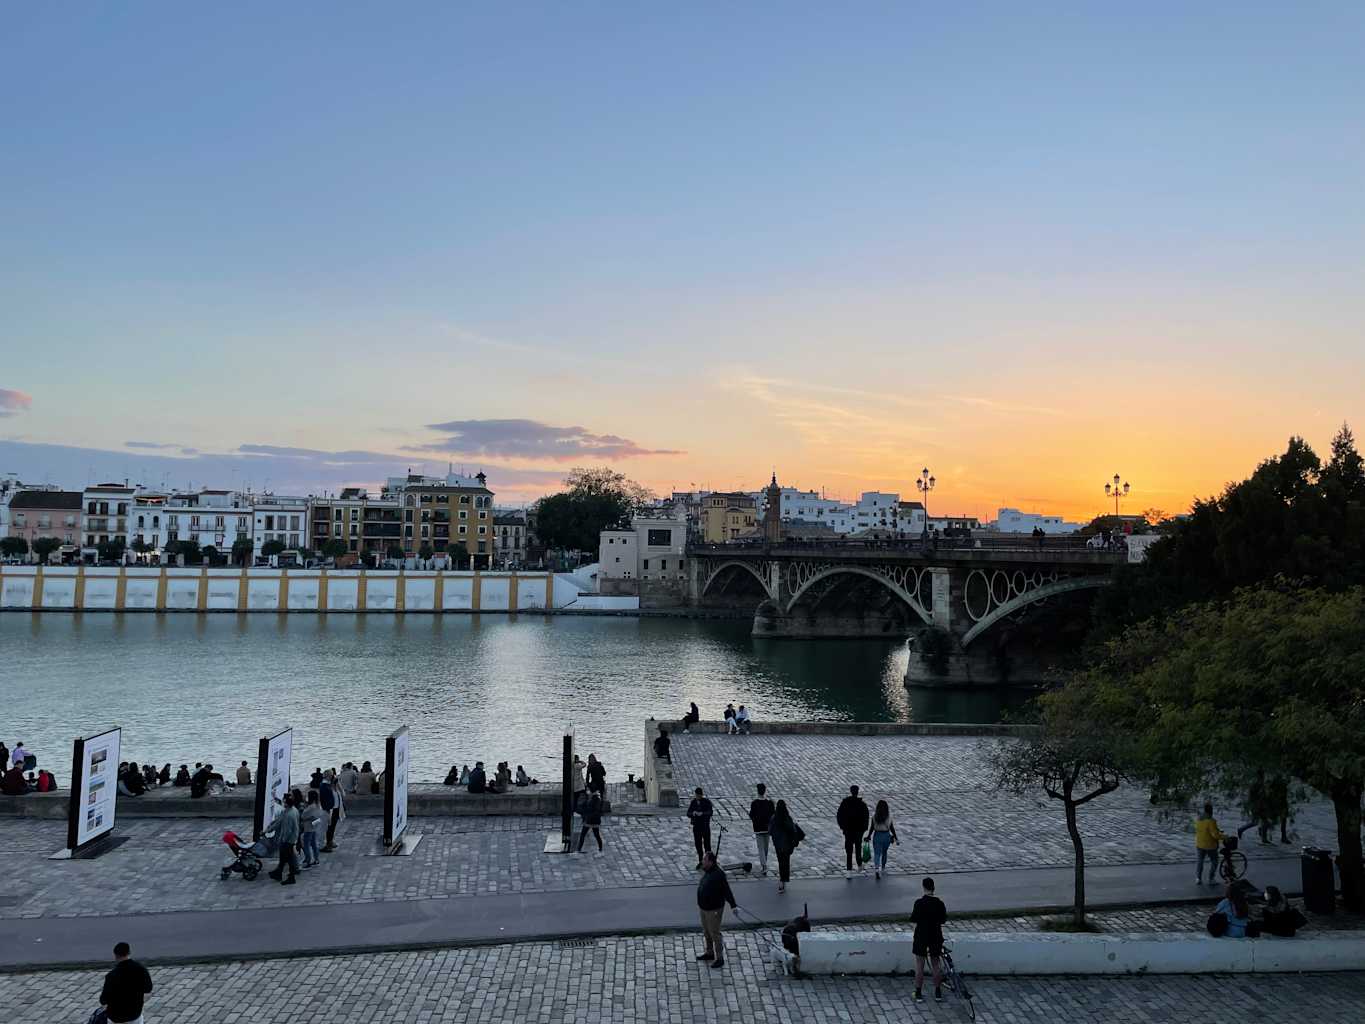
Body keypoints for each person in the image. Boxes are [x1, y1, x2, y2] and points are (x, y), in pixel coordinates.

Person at [695, 850, 738, 969]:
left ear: (711, 862)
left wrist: (733, 905)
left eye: (705, 860)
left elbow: (726, 890)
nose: (702, 861)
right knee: (707, 931)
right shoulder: (707, 871)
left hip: (713, 909)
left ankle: (719, 958)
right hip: (704, 908)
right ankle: (709, 952)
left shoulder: (718, 874)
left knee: (714, 933)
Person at [911, 877, 947, 1003]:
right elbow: (943, 920)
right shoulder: (939, 904)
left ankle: (918, 992)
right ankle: (938, 992)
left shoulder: (919, 903)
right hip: (936, 936)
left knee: (920, 965)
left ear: (923, 887)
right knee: (936, 964)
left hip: (921, 936)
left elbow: (913, 918)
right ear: (933, 888)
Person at [100, 941, 153, 1024]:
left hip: (115, 1017)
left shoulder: (111, 976)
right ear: (129, 952)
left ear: (116, 956)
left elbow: (103, 1000)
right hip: (134, 1015)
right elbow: (148, 990)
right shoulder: (141, 970)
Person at [768, 799, 805, 894]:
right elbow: (793, 830)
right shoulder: (787, 818)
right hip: (787, 844)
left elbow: (770, 831)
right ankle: (784, 879)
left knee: (781, 862)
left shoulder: (773, 818)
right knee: (786, 862)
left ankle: (781, 881)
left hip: (778, 844)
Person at [266, 793, 301, 885]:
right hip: (292, 839)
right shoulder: (293, 810)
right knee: (283, 858)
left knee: (288, 859)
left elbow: (287, 830)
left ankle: (291, 877)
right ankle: (278, 873)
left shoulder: (288, 815)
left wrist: (282, 840)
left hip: (287, 841)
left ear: (286, 803)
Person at [836, 785, 871, 875]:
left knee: (849, 850)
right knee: (858, 847)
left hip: (848, 830)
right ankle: (859, 865)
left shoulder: (845, 803)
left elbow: (839, 815)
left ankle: (849, 869)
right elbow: (866, 817)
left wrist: (842, 827)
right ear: (857, 792)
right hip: (858, 830)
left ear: (851, 791)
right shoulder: (862, 804)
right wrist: (864, 829)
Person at [1194, 802, 1226, 885]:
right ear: (1211, 810)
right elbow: (1214, 835)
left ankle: (1198, 878)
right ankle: (1211, 879)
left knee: (1200, 861)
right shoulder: (1211, 821)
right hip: (1210, 845)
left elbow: (1201, 830)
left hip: (1199, 844)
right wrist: (1224, 836)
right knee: (1214, 861)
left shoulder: (1198, 819)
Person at [867, 799, 898, 880]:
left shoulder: (874, 817)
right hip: (886, 836)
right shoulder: (889, 817)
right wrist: (896, 838)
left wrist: (869, 836)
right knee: (884, 852)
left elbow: (871, 828)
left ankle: (877, 869)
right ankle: (883, 868)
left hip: (877, 835)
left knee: (877, 854)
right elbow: (892, 828)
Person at [749, 783, 775, 877]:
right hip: (767, 828)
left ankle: (764, 866)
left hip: (758, 828)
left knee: (761, 849)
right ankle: (764, 864)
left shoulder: (754, 803)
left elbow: (751, 815)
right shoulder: (770, 803)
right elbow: (773, 814)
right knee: (765, 848)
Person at [687, 786, 714, 869]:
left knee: (707, 845)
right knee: (698, 845)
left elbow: (710, 812)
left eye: (699, 795)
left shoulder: (706, 802)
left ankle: (709, 862)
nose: (698, 797)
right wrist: (693, 813)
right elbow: (688, 813)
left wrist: (702, 813)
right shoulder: (693, 802)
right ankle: (701, 861)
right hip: (696, 827)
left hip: (705, 826)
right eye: (697, 795)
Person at [299, 790, 325, 868]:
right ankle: (316, 859)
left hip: (308, 827)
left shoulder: (311, 807)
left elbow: (303, 816)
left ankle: (308, 860)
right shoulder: (318, 805)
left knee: (306, 844)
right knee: (313, 844)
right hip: (314, 826)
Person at [321, 768, 345, 852]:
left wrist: (337, 784)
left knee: (333, 826)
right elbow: (324, 799)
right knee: (329, 827)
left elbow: (342, 793)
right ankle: (328, 843)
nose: (333, 777)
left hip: (336, 809)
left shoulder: (333, 785)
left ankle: (330, 841)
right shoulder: (324, 786)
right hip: (330, 810)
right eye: (331, 775)